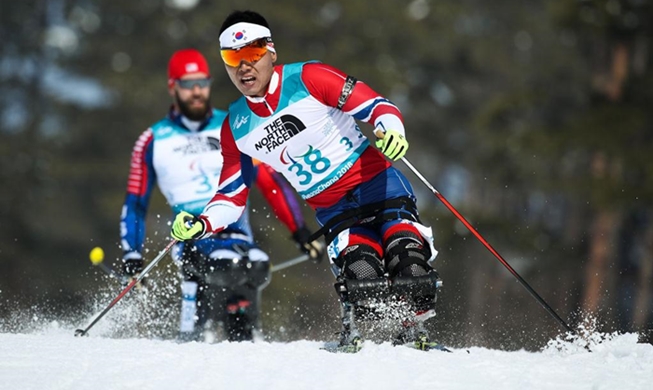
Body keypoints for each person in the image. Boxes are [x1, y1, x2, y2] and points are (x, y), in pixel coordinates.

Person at [170, 11, 441, 351]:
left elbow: (376, 106)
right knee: (364, 279)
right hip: (335, 211)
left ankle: (413, 321)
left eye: (252, 54)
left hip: (379, 186)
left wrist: (391, 131)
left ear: (271, 52)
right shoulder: (236, 127)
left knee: (409, 265)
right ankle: (385, 327)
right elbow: (231, 196)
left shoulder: (310, 77)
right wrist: (202, 224)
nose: (244, 67)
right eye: (232, 57)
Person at [120, 48, 322, 342]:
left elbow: (269, 180)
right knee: (223, 266)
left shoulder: (235, 124)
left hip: (236, 230)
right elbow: (136, 203)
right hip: (192, 236)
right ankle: (191, 341)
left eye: (202, 82)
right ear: (172, 87)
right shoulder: (152, 139)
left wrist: (300, 230)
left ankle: (245, 348)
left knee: (254, 265)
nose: (197, 91)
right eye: (188, 85)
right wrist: (132, 256)